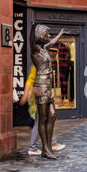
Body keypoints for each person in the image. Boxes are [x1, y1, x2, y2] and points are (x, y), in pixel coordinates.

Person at [30, 23, 67, 159]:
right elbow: (31, 39)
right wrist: (33, 27)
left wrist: (61, 34)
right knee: (43, 118)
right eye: (46, 34)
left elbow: (52, 42)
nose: (48, 36)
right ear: (39, 35)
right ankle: (45, 149)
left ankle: (48, 148)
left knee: (52, 115)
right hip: (41, 86)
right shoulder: (35, 50)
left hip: (49, 86)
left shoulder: (44, 48)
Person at [20, 65, 66, 155]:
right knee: (41, 122)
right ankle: (34, 147)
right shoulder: (36, 67)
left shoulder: (41, 66)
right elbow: (30, 81)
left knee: (47, 119)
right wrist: (26, 95)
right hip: (38, 99)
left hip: (42, 97)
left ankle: (50, 143)